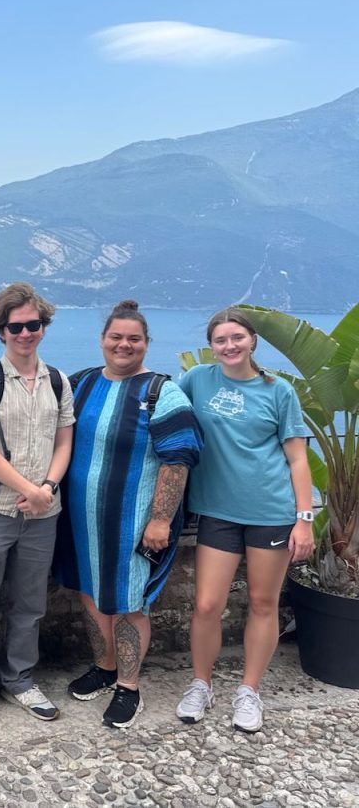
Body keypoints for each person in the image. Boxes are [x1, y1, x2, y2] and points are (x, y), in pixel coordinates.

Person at [56, 299, 202, 728]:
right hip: (81, 521)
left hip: (133, 523)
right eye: (116, 337)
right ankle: (104, 667)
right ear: (102, 340)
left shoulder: (161, 393)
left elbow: (178, 460)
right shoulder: (81, 384)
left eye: (133, 339)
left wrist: (160, 520)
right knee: (89, 591)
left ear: (146, 343)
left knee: (129, 601)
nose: (124, 345)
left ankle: (128, 685)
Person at [175, 307, 314, 732]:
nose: (229, 345)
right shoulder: (197, 380)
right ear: (211, 345)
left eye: (237, 337)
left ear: (252, 340)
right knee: (207, 604)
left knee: (262, 602)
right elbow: (164, 415)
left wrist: (304, 519)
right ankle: (201, 684)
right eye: (220, 340)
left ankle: (249, 691)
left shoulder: (278, 391)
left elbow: (297, 458)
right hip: (217, 510)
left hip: (271, 511)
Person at [0, 282, 74, 732]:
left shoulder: (58, 381)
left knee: (31, 604)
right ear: (1, 331)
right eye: (16, 327)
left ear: (44, 327)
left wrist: (46, 488)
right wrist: (33, 489)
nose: (26, 333)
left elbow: (64, 442)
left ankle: (20, 679)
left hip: (43, 512)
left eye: (33, 325)